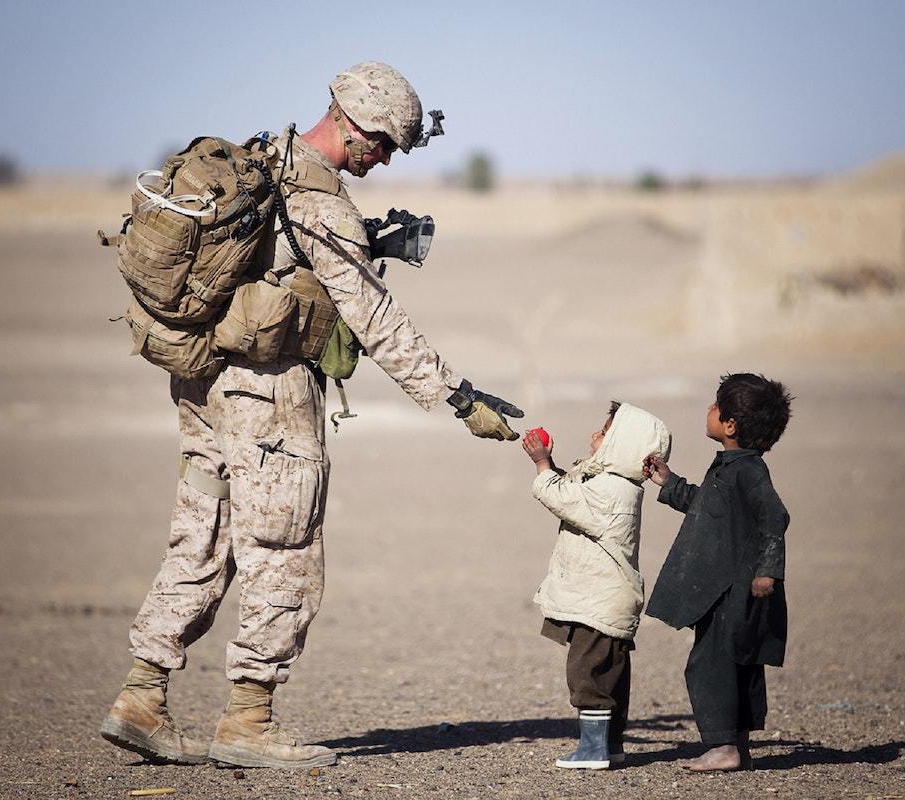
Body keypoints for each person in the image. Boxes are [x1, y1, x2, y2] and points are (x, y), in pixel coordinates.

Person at [100, 61, 524, 770]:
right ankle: (248, 720)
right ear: (353, 124)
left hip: (203, 383)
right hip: (269, 396)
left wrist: (362, 247)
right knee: (284, 550)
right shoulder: (322, 203)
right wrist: (457, 396)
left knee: (202, 535)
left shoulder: (264, 161)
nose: (384, 160)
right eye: (383, 145)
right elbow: (376, 319)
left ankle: (141, 696)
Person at [642, 373, 793, 772]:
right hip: (724, 586)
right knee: (734, 661)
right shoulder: (730, 466)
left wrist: (768, 570)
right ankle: (736, 746)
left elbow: (774, 516)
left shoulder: (749, 471)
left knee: (712, 664)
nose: (708, 409)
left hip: (735, 589)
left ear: (730, 425)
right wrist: (669, 482)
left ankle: (724, 746)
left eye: (716, 406)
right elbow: (708, 508)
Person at [521, 402, 672, 769]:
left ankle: (592, 750)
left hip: (599, 603)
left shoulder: (612, 490)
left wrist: (542, 464)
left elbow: (562, 498)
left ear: (623, 445)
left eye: (604, 432)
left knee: (587, 673)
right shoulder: (612, 485)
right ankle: (611, 745)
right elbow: (575, 490)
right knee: (610, 675)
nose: (594, 435)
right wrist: (552, 464)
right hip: (606, 600)